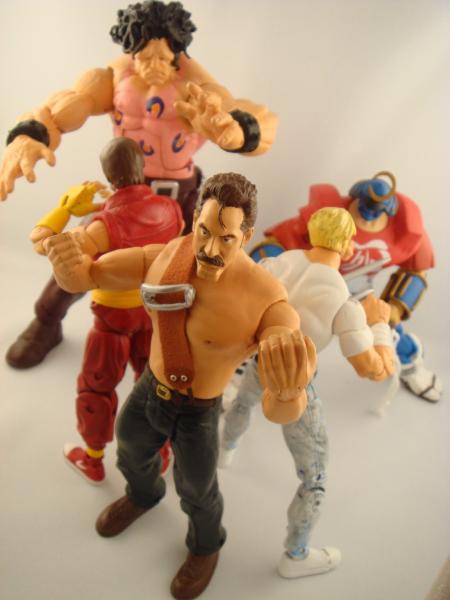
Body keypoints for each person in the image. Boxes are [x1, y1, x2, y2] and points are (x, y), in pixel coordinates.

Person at [44, 172, 316, 600]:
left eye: (226, 238)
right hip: (150, 389)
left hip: (198, 412)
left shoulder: (266, 299)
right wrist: (67, 265)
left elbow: (282, 406)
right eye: (204, 231)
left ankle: (206, 545)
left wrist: (288, 389)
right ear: (194, 218)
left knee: (196, 489)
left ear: (246, 236)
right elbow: (88, 276)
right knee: (130, 450)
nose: (210, 248)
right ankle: (144, 494)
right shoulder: (167, 256)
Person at [3, 0, 277, 369]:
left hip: (181, 195)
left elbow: (251, 120)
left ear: (178, 50)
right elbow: (65, 106)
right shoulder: (113, 77)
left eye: (163, 56)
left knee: (194, 269)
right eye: (144, 56)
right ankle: (46, 321)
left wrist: (238, 132)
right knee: (81, 253)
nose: (153, 65)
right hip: (128, 189)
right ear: (130, 49)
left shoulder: (198, 85)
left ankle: (195, 342)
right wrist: (30, 134)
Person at [220, 207, 395, 579]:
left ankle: (226, 450)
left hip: (261, 361)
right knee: (314, 478)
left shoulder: (277, 264)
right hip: (297, 383)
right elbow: (373, 369)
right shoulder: (344, 302)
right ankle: (296, 555)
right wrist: (379, 326)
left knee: (243, 402)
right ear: (347, 245)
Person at [35, 137, 182, 482]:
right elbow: (148, 228)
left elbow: (44, 243)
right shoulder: (170, 209)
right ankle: (160, 449)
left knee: (97, 388)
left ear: (109, 176)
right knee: (156, 385)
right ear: (142, 167)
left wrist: (65, 209)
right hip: (153, 314)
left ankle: (93, 459)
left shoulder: (102, 226)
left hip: (113, 320)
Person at [251, 172, 441, 402]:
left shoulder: (400, 232)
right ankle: (240, 367)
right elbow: (274, 245)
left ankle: (410, 365)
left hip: (357, 291)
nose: (367, 216)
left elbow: (416, 270)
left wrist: (392, 311)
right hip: (309, 286)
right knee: (256, 325)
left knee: (392, 331)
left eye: (375, 212)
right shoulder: (331, 217)